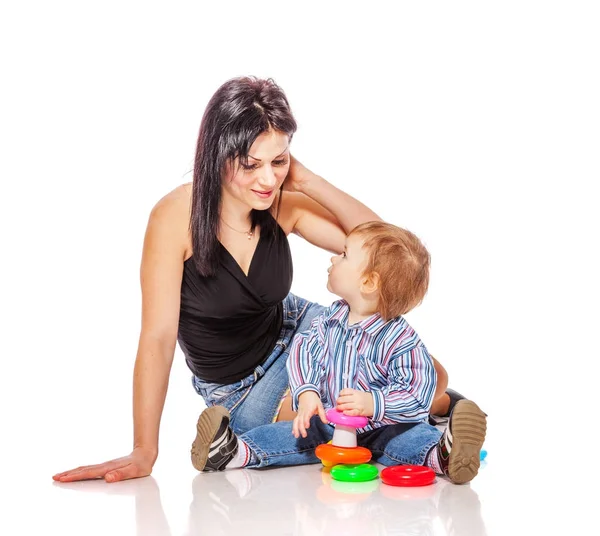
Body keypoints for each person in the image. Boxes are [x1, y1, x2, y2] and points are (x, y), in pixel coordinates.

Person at [53, 76, 457, 484]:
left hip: (304, 328)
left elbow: (385, 254)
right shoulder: (174, 217)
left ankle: (435, 410)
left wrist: (307, 181)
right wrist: (145, 450)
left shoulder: (281, 202)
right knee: (338, 417)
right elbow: (157, 336)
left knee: (431, 375)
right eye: (251, 164)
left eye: (278, 161)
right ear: (217, 155)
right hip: (244, 387)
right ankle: (429, 425)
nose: (267, 180)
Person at [190, 222, 487, 484]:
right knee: (294, 432)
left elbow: (417, 393)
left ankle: (443, 456)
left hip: (383, 425)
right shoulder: (330, 319)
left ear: (368, 282)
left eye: (344, 255)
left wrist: (374, 403)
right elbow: (305, 351)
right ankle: (232, 451)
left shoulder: (400, 339)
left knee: (408, 440)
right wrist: (307, 393)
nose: (334, 258)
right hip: (331, 423)